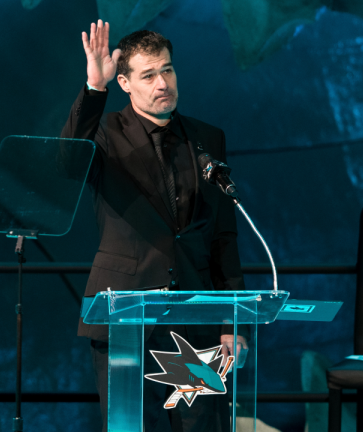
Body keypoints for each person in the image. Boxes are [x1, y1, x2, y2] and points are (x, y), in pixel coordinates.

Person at [60, 20, 247, 431]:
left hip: (196, 317)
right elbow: (67, 163)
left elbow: (223, 235)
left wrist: (232, 321)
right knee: (132, 424)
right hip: (127, 315)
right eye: (149, 75)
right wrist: (95, 88)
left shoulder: (206, 138)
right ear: (125, 82)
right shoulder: (106, 133)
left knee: (199, 425)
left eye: (168, 70)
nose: (162, 82)